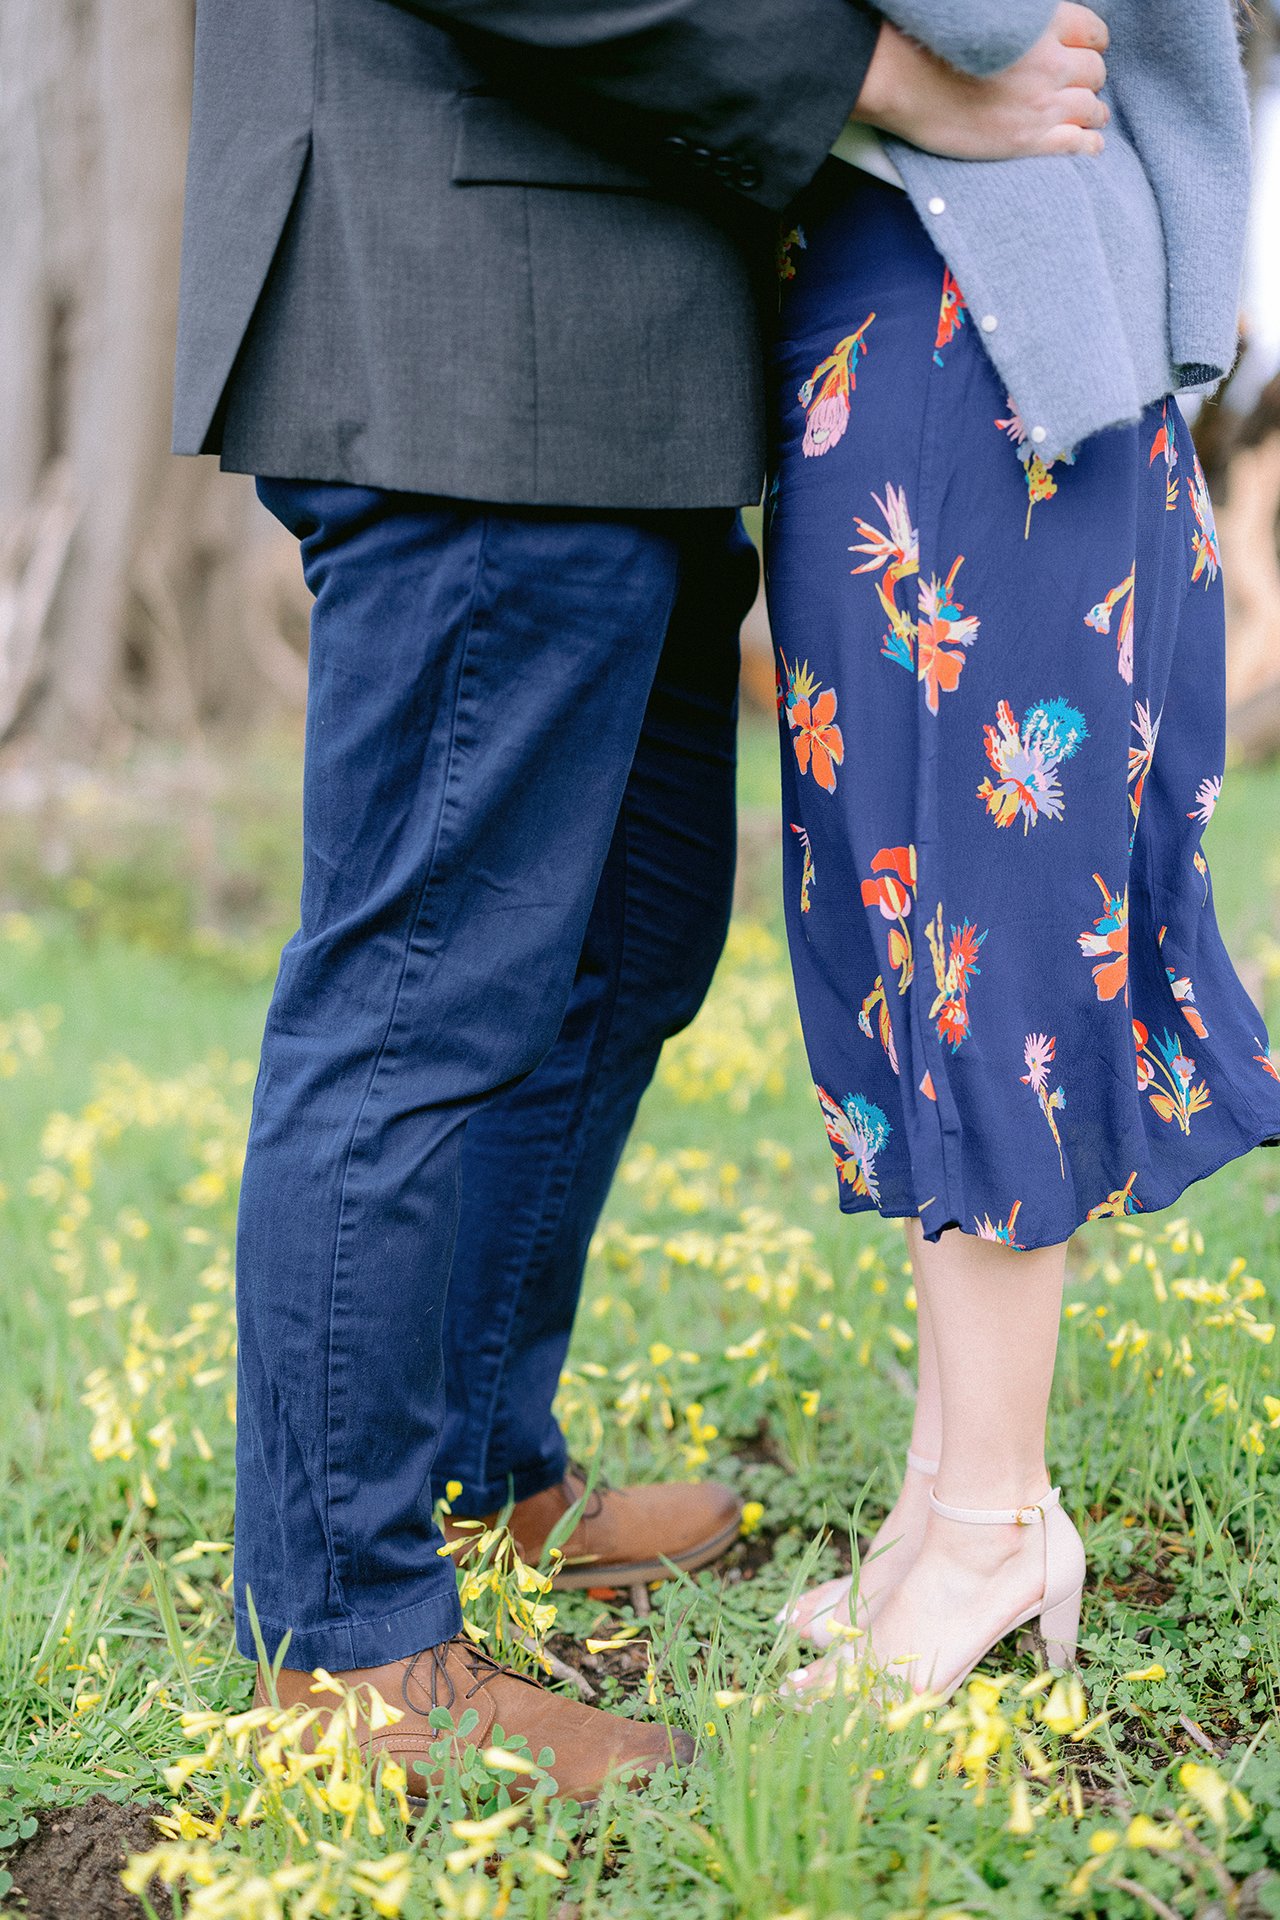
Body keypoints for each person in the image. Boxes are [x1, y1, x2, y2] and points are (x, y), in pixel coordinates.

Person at [173, 0, 1115, 1796]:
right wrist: (899, 82)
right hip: (475, 315)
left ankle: (473, 1471)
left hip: (605, 344)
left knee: (630, 933)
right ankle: (348, 1639)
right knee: (423, 989)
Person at [768, 0, 1280, 1701]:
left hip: (980, 322)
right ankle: (951, 1498)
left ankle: (992, 1522)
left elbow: (990, 18)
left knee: (981, 927)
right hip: (929, 290)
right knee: (918, 923)